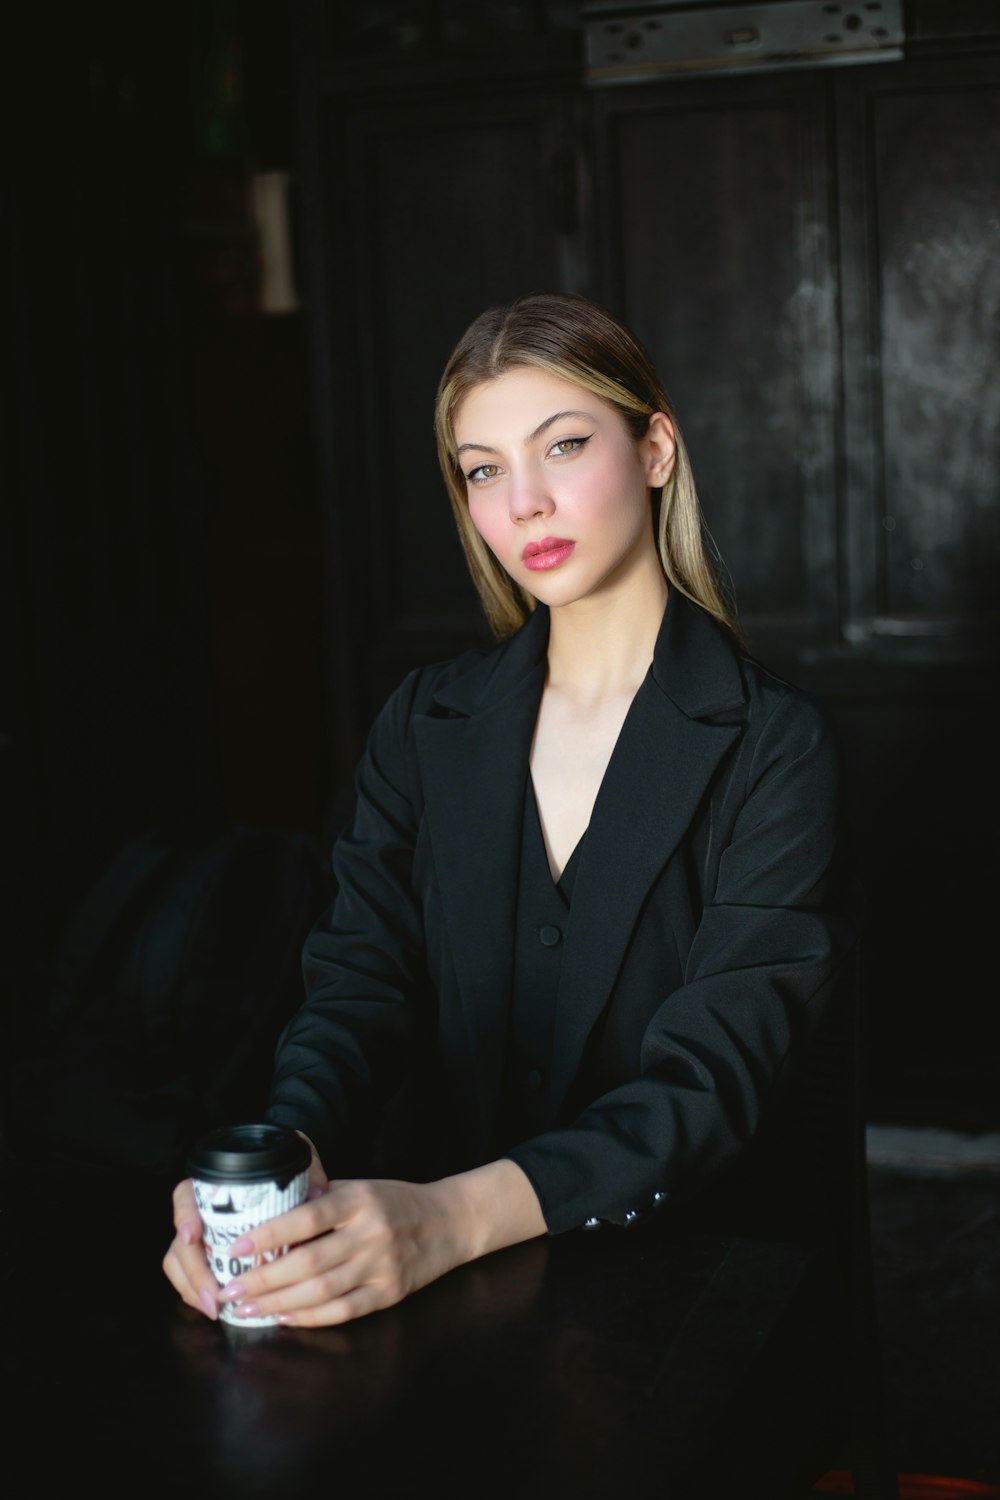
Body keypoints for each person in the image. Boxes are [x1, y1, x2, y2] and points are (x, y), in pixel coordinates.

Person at [163, 291, 859, 1340]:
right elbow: (358, 983)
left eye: (564, 445)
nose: (523, 503)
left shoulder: (773, 745)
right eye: (484, 469)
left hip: (686, 1288)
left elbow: (713, 1080)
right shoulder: (424, 722)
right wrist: (284, 1162)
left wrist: (447, 1219)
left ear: (655, 448)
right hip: (436, 1287)